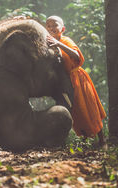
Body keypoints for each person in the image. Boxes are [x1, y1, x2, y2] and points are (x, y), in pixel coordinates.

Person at [45, 15, 107, 147]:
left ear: (63, 28)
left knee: (90, 108)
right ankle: (83, 140)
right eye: (48, 25)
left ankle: (102, 140)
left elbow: (77, 56)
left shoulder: (65, 40)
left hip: (78, 78)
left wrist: (59, 44)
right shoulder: (47, 41)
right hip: (64, 81)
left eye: (54, 25)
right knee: (76, 111)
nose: (51, 28)